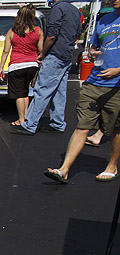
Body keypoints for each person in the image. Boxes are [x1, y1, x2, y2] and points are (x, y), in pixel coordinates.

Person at [44, 0, 120, 183]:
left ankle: (112, 166)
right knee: (82, 125)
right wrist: (93, 53)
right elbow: (95, 47)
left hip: (117, 86)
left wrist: (118, 70)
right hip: (94, 81)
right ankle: (64, 169)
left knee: (116, 129)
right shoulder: (104, 20)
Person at [12, 0, 81, 135]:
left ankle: (30, 124)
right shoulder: (74, 10)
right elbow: (78, 33)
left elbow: (52, 34)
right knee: (59, 92)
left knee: (42, 89)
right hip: (66, 54)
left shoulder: (58, 9)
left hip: (55, 54)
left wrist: (43, 53)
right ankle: (58, 122)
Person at [0, 5, 43, 126]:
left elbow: (6, 51)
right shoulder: (38, 31)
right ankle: (26, 117)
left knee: (19, 93)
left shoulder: (12, 32)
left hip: (16, 65)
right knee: (25, 91)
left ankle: (21, 119)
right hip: (31, 65)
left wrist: (1, 67)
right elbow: (40, 50)